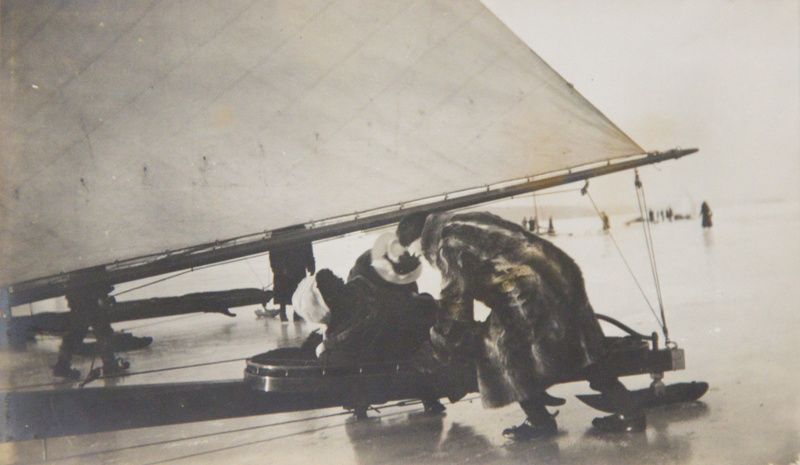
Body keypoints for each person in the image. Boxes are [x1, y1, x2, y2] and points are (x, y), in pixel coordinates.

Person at [396, 211, 645, 440]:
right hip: (560, 273)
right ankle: (630, 412)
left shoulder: (446, 246)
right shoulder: (462, 222)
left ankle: (539, 421)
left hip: (528, 292)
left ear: (421, 237)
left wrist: (439, 345)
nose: (415, 255)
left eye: (413, 249)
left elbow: (455, 303)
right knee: (581, 346)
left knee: (495, 347)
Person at [293, 232, 446, 414]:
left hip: (409, 328)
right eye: (334, 281)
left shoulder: (343, 326)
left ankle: (361, 402)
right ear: (329, 300)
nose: (340, 279)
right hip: (412, 333)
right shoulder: (360, 297)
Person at [52, 281, 129, 379]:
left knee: (78, 331)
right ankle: (110, 364)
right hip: (90, 292)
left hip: (78, 290)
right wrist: (103, 293)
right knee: (102, 330)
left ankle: (62, 365)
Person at [269, 235, 316, 321]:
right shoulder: (298, 228)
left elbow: (308, 246)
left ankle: (293, 313)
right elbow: (308, 247)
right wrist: (311, 264)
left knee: (295, 288)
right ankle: (285, 312)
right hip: (287, 262)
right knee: (288, 288)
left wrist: (311, 264)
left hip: (296, 262)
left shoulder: (299, 229)